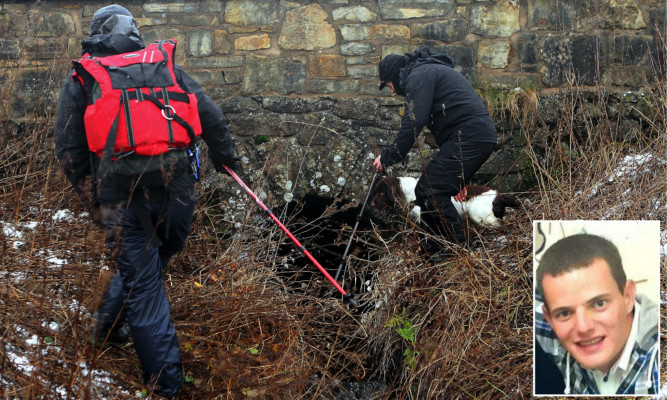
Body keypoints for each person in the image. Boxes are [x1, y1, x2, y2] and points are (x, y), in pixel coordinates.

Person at [55, 5, 240, 398]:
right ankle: (108, 326)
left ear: (94, 35)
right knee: (159, 257)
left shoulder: (84, 76)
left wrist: (96, 202)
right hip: (177, 192)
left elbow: (69, 150)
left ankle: (165, 387)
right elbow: (211, 115)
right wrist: (226, 160)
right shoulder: (162, 64)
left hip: (120, 201)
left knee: (144, 285)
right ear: (133, 30)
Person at [373, 46, 497, 255]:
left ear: (395, 75)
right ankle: (433, 252)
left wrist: (388, 157)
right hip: (472, 137)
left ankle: (461, 253)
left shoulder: (419, 75)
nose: (392, 91)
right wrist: (458, 179)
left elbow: (413, 122)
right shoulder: (426, 72)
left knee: (430, 190)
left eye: (389, 85)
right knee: (426, 190)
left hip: (471, 136)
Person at [534, 233, 659, 395]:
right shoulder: (551, 334)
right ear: (549, 318)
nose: (583, 327)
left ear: (627, 297)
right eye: (564, 313)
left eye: (599, 304)